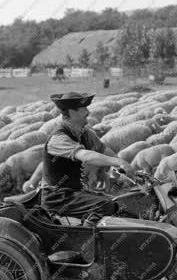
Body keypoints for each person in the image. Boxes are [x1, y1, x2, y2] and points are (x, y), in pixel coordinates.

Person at [42, 91, 135, 221]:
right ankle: (88, 238)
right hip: (57, 198)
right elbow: (86, 155)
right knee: (105, 206)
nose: (88, 112)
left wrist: (124, 167)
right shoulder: (58, 139)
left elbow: (103, 150)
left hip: (75, 193)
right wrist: (118, 163)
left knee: (118, 201)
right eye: (84, 108)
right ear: (72, 112)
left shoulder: (85, 133)